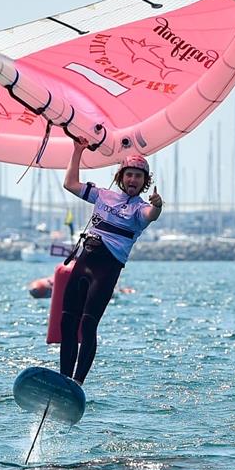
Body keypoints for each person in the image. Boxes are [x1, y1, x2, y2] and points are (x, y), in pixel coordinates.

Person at [61, 137, 163, 384]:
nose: (133, 180)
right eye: (129, 175)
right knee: (67, 321)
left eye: (138, 177)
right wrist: (77, 151)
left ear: (144, 183)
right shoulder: (102, 196)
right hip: (84, 261)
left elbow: (152, 214)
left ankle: (77, 382)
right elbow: (70, 184)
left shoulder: (139, 210)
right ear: (121, 177)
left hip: (107, 270)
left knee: (87, 325)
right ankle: (63, 379)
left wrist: (158, 206)